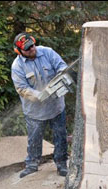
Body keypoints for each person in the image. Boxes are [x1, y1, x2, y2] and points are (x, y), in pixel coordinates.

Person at [11, 32, 69, 178]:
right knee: (34, 138)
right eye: (27, 49)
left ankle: (61, 163)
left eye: (32, 45)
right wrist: (39, 95)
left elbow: (62, 66)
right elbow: (22, 88)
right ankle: (32, 164)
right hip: (35, 111)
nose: (32, 49)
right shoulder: (17, 66)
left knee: (60, 135)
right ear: (19, 51)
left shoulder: (47, 52)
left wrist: (62, 76)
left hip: (56, 107)